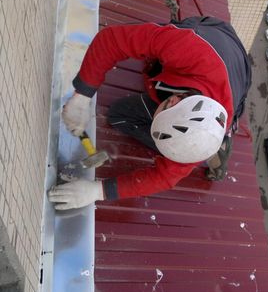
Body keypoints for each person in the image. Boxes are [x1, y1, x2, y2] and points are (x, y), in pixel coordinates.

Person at [49, 16, 251, 210]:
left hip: (239, 79)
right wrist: (82, 96)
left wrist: (98, 191)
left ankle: (223, 142)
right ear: (172, 100)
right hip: (217, 33)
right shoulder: (184, 46)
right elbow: (111, 39)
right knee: (121, 112)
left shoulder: (204, 133)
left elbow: (164, 178)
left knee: (122, 116)